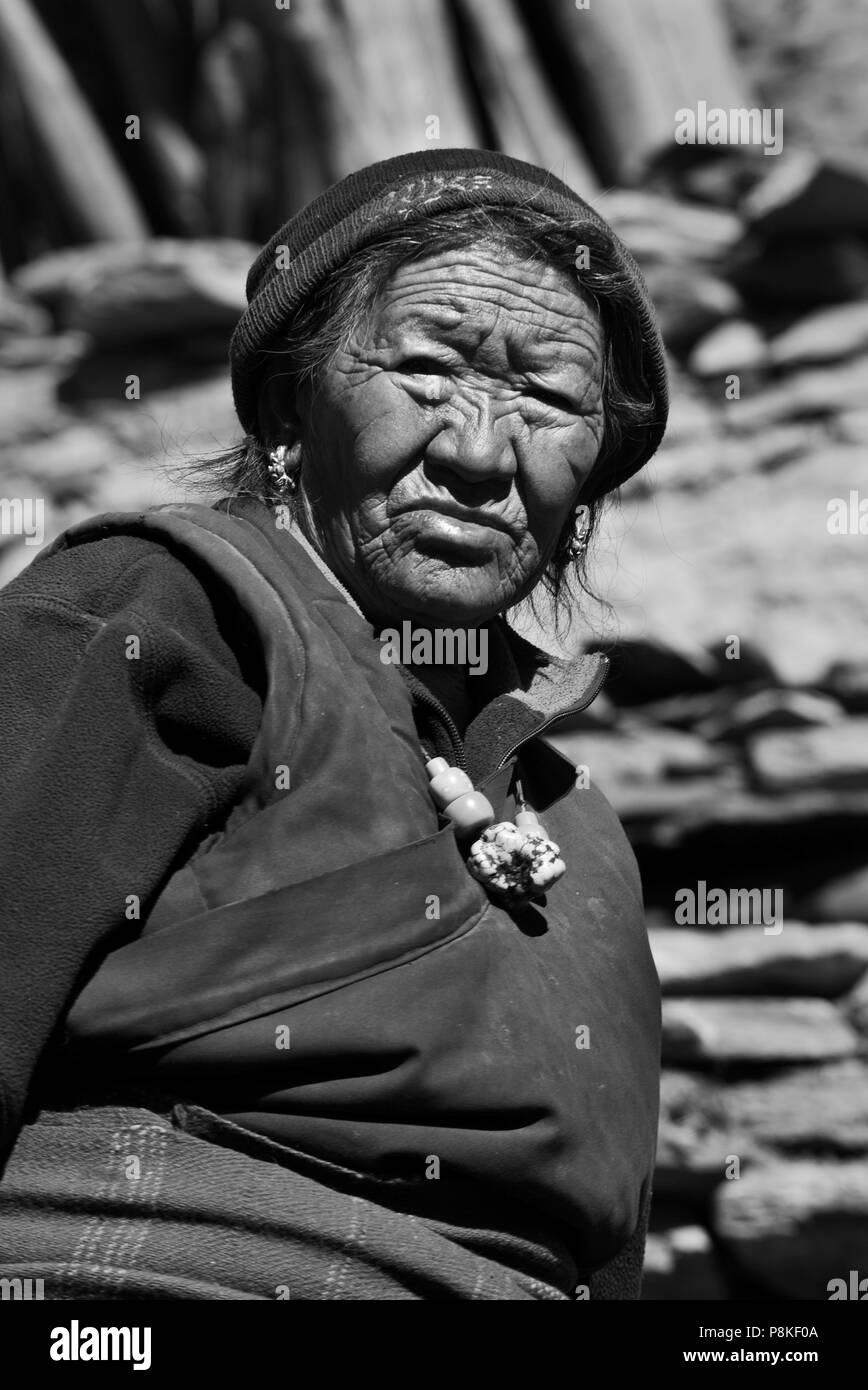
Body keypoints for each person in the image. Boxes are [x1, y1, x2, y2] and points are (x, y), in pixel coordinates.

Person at [0, 148, 667, 1301]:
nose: (476, 451)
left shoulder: (572, 820)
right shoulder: (158, 614)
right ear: (284, 407)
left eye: (550, 400)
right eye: (422, 367)